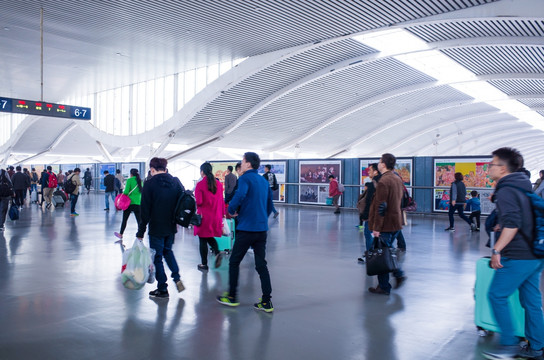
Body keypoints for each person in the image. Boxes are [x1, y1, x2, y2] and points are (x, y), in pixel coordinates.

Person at [482, 147, 544, 360]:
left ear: (502, 168)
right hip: (535, 253)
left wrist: (496, 250)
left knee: (496, 295)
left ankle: (508, 345)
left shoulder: (507, 190)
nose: (489, 167)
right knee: (532, 302)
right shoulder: (523, 186)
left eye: (491, 164)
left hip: (518, 255)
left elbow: (513, 224)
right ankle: (537, 348)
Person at [217, 152, 274, 312]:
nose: (241, 164)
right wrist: (262, 218)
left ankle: (232, 297)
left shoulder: (245, 179)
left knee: (234, 262)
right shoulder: (263, 181)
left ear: (248, 164)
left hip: (246, 228)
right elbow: (270, 205)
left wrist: (233, 210)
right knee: (261, 265)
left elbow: (240, 194)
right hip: (261, 230)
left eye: (242, 161)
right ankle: (267, 301)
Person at [137, 157, 185, 298]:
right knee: (168, 251)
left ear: (152, 170)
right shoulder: (175, 182)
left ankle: (162, 288)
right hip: (171, 225)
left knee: (157, 257)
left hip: (156, 226)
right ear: (165, 168)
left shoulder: (150, 184)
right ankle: (177, 278)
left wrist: (141, 231)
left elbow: (144, 210)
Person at [368, 153, 407, 295]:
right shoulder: (397, 178)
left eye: (379, 161)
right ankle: (398, 274)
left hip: (385, 225)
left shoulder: (384, 182)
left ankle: (384, 286)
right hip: (395, 222)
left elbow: (380, 207)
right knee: (388, 252)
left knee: (382, 255)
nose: (378, 163)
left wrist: (376, 228)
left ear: (383, 164)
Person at [194, 162, 225, 271]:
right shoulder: (219, 184)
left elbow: (199, 201)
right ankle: (217, 252)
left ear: (202, 172)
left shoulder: (200, 184)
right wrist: (223, 215)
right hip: (216, 215)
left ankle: (204, 264)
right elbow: (221, 201)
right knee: (209, 236)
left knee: (202, 239)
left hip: (204, 216)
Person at [357, 163, 380, 263]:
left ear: (376, 171)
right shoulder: (381, 182)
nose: (368, 172)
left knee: (368, 233)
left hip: (372, 215)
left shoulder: (373, 185)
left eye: (370, 170)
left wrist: (365, 215)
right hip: (379, 214)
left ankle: (370, 254)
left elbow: (369, 202)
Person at [114, 168, 143, 241]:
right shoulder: (140, 181)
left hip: (129, 203)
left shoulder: (129, 180)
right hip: (138, 202)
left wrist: (123, 194)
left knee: (125, 219)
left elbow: (126, 191)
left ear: (131, 174)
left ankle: (121, 234)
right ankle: (140, 235)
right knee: (139, 220)